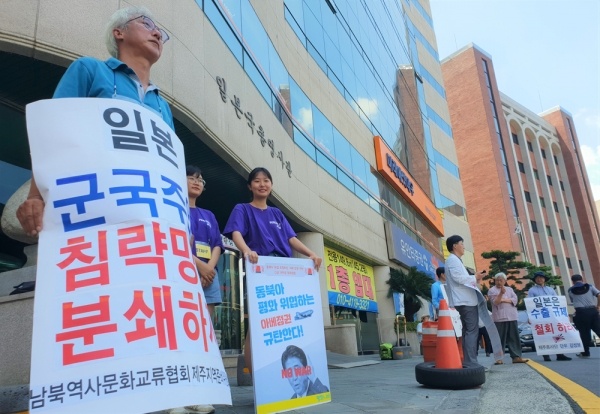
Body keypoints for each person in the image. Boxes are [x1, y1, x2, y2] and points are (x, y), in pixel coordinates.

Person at [16, 5, 174, 238]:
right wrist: (36, 196)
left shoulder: (163, 105)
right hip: (91, 207)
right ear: (119, 32)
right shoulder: (90, 69)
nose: (158, 34)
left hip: (148, 218)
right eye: (147, 24)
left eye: (161, 32)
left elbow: (170, 167)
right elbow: (55, 130)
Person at [223, 167, 322, 375]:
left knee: (284, 324)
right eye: (257, 181)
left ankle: (278, 379)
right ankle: (256, 378)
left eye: (266, 180)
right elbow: (236, 233)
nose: (262, 184)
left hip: (284, 271)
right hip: (260, 270)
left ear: (271, 185)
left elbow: (291, 239)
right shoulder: (242, 209)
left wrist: (310, 253)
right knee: (258, 326)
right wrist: (247, 250)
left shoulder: (277, 213)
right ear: (250, 186)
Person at [444, 235, 486, 364]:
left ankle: (469, 362)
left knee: (468, 331)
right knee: (471, 331)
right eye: (462, 244)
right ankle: (471, 363)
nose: (464, 247)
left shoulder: (455, 260)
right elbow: (458, 278)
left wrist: (475, 278)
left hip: (465, 300)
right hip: (465, 301)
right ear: (455, 245)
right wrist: (475, 277)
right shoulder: (452, 260)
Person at [527, 271, 572, 362]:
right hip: (540, 315)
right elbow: (530, 304)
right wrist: (530, 316)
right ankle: (546, 355)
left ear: (544, 279)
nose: (539, 279)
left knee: (556, 333)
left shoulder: (551, 290)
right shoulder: (532, 290)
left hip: (552, 315)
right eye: (537, 278)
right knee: (543, 334)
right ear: (535, 280)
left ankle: (560, 354)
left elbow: (557, 302)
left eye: (541, 277)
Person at [488, 273, 528, 365]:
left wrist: (504, 300)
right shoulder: (492, 290)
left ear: (505, 281)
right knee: (499, 339)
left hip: (512, 316)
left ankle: (516, 356)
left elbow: (515, 300)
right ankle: (499, 358)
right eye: (497, 280)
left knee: (514, 337)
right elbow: (496, 302)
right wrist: (501, 294)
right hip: (499, 318)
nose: (498, 282)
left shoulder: (510, 289)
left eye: (501, 280)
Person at [568, 274, 600, 358]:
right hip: (592, 311)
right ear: (582, 279)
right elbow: (599, 295)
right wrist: (598, 306)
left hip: (581, 312)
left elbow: (572, 300)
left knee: (584, 333)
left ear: (573, 281)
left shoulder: (571, 290)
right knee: (598, 329)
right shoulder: (590, 286)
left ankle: (585, 353)